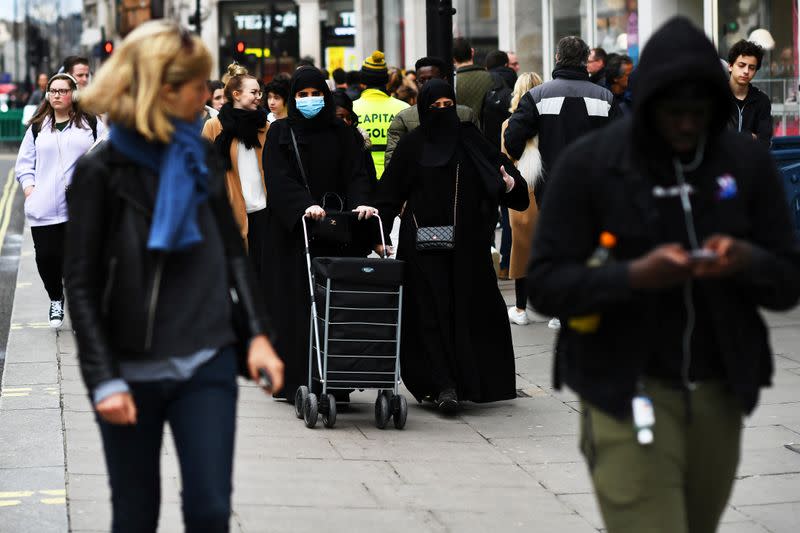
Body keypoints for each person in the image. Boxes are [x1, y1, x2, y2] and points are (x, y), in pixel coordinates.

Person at [526, 17, 800, 533]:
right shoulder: (593, 164)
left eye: (699, 108)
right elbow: (544, 283)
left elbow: (787, 280)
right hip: (624, 387)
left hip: (717, 390)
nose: (685, 122)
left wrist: (745, 260)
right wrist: (632, 276)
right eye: (671, 108)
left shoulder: (744, 163)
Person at [64, 21, 284, 533]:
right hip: (131, 368)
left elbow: (232, 254)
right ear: (165, 88)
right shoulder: (101, 173)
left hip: (206, 357)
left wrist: (257, 337)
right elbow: (81, 284)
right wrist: (103, 378)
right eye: (200, 84)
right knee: (135, 515)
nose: (208, 94)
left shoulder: (197, 156)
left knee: (210, 511)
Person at [372, 79, 529, 413]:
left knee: (467, 313)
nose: (443, 112)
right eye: (435, 106)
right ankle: (442, 385)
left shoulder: (472, 141)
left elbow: (513, 187)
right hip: (423, 251)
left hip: (468, 250)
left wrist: (511, 184)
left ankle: (467, 383)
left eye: (448, 105)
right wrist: (379, 236)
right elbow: (389, 195)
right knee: (429, 316)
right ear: (423, 109)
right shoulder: (412, 147)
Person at [262, 66, 376, 404]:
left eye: (315, 95)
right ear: (293, 99)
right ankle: (296, 377)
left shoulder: (343, 133)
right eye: (302, 95)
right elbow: (278, 178)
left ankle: (336, 379)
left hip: (338, 230)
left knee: (336, 303)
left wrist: (363, 205)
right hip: (295, 234)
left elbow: (358, 175)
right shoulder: (281, 132)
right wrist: (305, 205)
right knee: (297, 303)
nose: (310, 101)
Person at [504, 36, 615, 329]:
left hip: (551, 184)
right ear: (584, 61)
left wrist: (524, 159)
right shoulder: (604, 97)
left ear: (556, 58)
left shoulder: (538, 96)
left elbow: (513, 137)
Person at [14, 73, 106, 328]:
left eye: (62, 91)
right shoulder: (38, 127)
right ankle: (56, 298)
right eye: (52, 91)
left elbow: (106, 154)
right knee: (46, 258)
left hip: (80, 207)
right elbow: (24, 164)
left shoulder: (90, 123)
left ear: (73, 94)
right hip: (44, 207)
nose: (56, 95)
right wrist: (30, 188)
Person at [202, 65, 270, 280]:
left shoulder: (265, 126)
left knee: (262, 277)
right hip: (231, 213)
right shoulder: (214, 126)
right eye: (254, 92)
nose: (259, 97)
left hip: (264, 211)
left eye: (260, 92)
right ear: (236, 94)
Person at [501, 72, 544, 325]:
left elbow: (504, 160)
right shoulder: (548, 122)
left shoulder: (508, 124)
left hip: (520, 190)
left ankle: (520, 308)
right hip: (545, 187)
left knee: (521, 248)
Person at [385, 56, 477, 168]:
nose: (427, 85)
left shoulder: (466, 115)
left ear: (444, 80)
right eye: (421, 81)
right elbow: (393, 163)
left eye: (432, 79)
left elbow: (477, 154)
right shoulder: (403, 118)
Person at [352, 51, 409, 178]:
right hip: (396, 180)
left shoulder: (350, 110)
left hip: (362, 181)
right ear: (386, 79)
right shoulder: (404, 109)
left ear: (362, 80)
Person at [727, 39, 772, 146]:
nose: (746, 71)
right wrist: (749, 137)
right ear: (730, 66)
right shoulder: (717, 96)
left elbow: (764, 142)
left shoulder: (762, 100)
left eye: (752, 68)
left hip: (750, 161)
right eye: (741, 65)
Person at [334, 90, 378, 188]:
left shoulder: (360, 141)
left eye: (349, 118)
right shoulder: (320, 142)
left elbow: (370, 177)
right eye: (340, 117)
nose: (346, 122)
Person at [453, 37, 494, 129]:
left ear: (453, 59)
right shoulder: (492, 78)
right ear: (472, 52)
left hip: (460, 134)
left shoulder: (450, 82)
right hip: (487, 136)